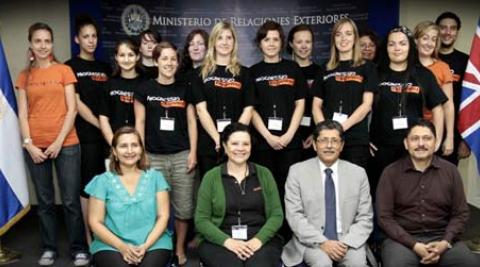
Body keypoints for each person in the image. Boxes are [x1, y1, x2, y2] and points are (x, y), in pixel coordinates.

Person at [16, 22, 89, 266]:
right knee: (45, 202)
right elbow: (23, 113)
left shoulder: (64, 71)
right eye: (38, 41)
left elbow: (72, 110)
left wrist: (58, 142)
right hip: (35, 147)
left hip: (66, 144)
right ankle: (48, 248)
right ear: (31, 44)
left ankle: (79, 249)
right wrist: (29, 144)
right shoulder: (24, 76)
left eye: (47, 41)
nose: (43, 46)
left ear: (52, 43)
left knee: (69, 200)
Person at [376, 119, 478, 267]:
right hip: (401, 241)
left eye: (427, 138)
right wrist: (414, 245)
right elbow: (384, 217)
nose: (421, 144)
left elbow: (461, 213)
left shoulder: (450, 171)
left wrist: (445, 242)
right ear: (406, 143)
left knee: (470, 263)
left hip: (443, 238)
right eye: (415, 139)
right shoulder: (390, 173)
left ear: (435, 143)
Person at [134, 41, 197, 266]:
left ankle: (179, 248)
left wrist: (193, 153)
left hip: (182, 155)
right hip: (153, 156)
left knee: (183, 207)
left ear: (178, 62)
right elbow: (139, 122)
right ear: (156, 61)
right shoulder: (144, 89)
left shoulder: (185, 88)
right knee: (154, 208)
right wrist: (141, 154)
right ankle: (157, 247)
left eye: (173, 59)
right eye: (164, 59)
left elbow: (191, 122)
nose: (169, 63)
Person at [282, 120, 373, 267]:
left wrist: (345, 243)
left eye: (334, 141)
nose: (329, 145)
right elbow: (294, 216)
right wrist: (322, 242)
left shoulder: (358, 173)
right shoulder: (297, 172)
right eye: (323, 140)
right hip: (312, 241)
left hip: (348, 241)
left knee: (357, 264)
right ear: (314, 144)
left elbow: (365, 217)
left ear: (341, 145)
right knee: (322, 263)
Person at [369, 25, 447, 192]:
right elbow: (362, 106)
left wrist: (437, 141)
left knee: (412, 197)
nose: (397, 48)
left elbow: (438, 109)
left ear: (410, 46)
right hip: (380, 150)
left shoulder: (423, 74)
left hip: (414, 150)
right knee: (382, 197)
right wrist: (364, 139)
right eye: (392, 44)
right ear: (386, 47)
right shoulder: (375, 73)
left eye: (402, 43)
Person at [195, 123, 284, 267]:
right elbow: (201, 220)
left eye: (246, 144)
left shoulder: (264, 174)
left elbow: (277, 214)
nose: (241, 148)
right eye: (235, 143)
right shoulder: (211, 177)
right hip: (220, 239)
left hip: (260, 237)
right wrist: (229, 242)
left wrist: (258, 240)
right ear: (224, 145)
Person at [86, 126, 172, 267]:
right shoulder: (102, 181)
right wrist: (122, 247)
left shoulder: (156, 178)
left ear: (141, 150)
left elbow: (163, 217)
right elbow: (95, 222)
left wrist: (145, 246)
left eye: (134, 145)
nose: (130, 151)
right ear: (114, 151)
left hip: (153, 242)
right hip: (111, 244)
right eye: (123, 146)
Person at [65, 14, 111, 245]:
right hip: (87, 136)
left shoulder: (105, 67)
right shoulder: (70, 67)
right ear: (77, 39)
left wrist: (109, 130)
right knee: (88, 187)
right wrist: (100, 125)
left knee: (109, 186)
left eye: (94, 36)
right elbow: (76, 104)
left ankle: (107, 233)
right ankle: (89, 235)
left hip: (109, 138)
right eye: (86, 37)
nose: (91, 41)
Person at [250, 21, 306, 202]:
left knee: (291, 190)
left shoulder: (293, 69)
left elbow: (300, 104)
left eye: (275, 39)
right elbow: (251, 109)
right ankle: (270, 230)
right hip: (263, 143)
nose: (271, 43)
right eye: (267, 39)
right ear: (260, 43)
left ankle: (289, 230)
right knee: (266, 191)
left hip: (291, 142)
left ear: (282, 42)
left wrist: (289, 135)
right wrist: (268, 136)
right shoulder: (252, 72)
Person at [312, 18, 378, 169]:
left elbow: (366, 105)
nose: (343, 39)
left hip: (355, 139)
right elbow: (316, 106)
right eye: (338, 34)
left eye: (348, 34)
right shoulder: (324, 69)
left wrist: (340, 129)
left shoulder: (367, 67)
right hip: (328, 141)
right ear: (333, 39)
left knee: (353, 188)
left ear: (355, 38)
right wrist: (326, 131)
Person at [192, 21, 255, 177]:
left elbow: (249, 109)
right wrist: (218, 140)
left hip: (237, 146)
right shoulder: (200, 73)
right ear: (213, 42)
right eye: (220, 38)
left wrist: (233, 139)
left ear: (234, 42)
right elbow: (201, 110)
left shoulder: (244, 73)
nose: (225, 42)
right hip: (209, 144)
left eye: (229, 38)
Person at [414, 21, 455, 160]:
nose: (429, 43)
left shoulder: (443, 67)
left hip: (434, 130)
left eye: (433, 39)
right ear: (416, 40)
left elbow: (448, 105)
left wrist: (449, 137)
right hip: (410, 130)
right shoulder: (406, 66)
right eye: (425, 38)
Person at [436, 11, 471, 164]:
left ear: (457, 32)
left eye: (452, 28)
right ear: (436, 30)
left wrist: (466, 140)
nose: (447, 32)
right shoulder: (424, 58)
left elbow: (471, 102)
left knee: (446, 180)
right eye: (443, 28)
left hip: (454, 132)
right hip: (425, 128)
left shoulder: (466, 62)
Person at [99, 38, 144, 145]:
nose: (126, 59)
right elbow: (103, 119)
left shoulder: (146, 84)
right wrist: (114, 145)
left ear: (137, 56)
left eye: (131, 55)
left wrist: (138, 146)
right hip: (113, 145)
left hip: (139, 146)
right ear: (116, 57)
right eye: (122, 55)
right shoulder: (109, 84)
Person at [287, 24, 321, 160]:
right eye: (299, 42)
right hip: (289, 135)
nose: (304, 46)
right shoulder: (285, 71)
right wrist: (292, 135)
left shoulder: (321, 71)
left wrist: (316, 133)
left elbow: (325, 105)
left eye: (308, 42)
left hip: (315, 134)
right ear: (291, 44)